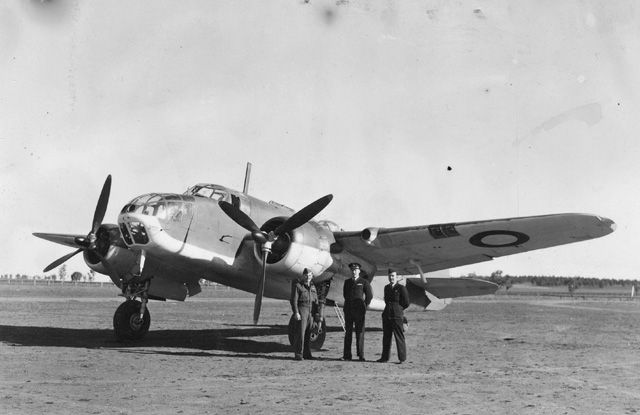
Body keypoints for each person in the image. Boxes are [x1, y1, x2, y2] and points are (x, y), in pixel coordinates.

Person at [377, 268, 410, 363]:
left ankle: (402, 359)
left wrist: (398, 309)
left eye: (393, 276)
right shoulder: (386, 288)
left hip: (397, 316)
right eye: (390, 276)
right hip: (387, 315)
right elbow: (386, 300)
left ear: (397, 277)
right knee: (386, 337)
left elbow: (406, 302)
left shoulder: (401, 288)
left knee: (399, 337)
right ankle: (385, 357)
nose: (391, 278)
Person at [342, 262, 372, 361]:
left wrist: (364, 306)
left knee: (360, 333)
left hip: (359, 311)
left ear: (359, 271)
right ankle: (347, 355)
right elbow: (345, 295)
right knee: (348, 333)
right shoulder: (347, 282)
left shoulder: (364, 282)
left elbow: (369, 295)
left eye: (356, 270)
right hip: (349, 310)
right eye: (352, 270)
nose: (354, 272)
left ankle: (361, 355)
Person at [290, 268, 319, 361]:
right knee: (300, 334)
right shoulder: (298, 286)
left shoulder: (313, 287)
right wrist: (296, 312)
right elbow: (294, 300)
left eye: (310, 275)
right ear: (303, 276)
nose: (308, 277)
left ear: (312, 276)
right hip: (302, 310)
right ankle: (298, 354)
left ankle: (307, 353)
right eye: (306, 275)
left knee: (308, 334)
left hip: (311, 311)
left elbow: (316, 301)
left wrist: (316, 315)